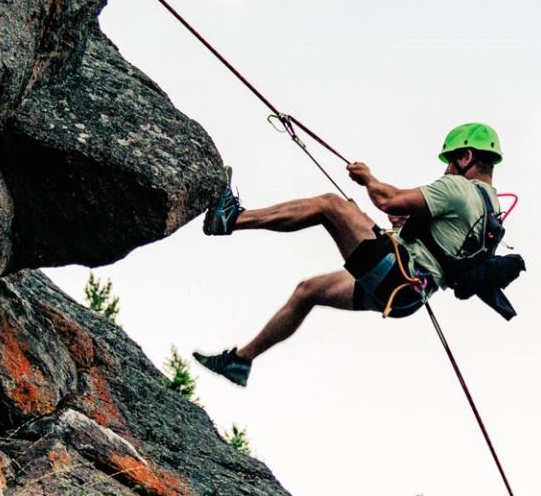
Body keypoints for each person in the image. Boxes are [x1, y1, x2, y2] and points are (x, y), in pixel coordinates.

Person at [191, 122, 511, 386]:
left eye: (450, 161)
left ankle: (230, 219)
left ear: (466, 156)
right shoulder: (490, 210)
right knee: (309, 291)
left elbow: (390, 200)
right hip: (408, 294)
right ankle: (240, 362)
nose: (446, 169)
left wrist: (368, 180)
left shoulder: (459, 189)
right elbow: (437, 241)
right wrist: (389, 225)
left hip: (397, 276)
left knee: (329, 205)